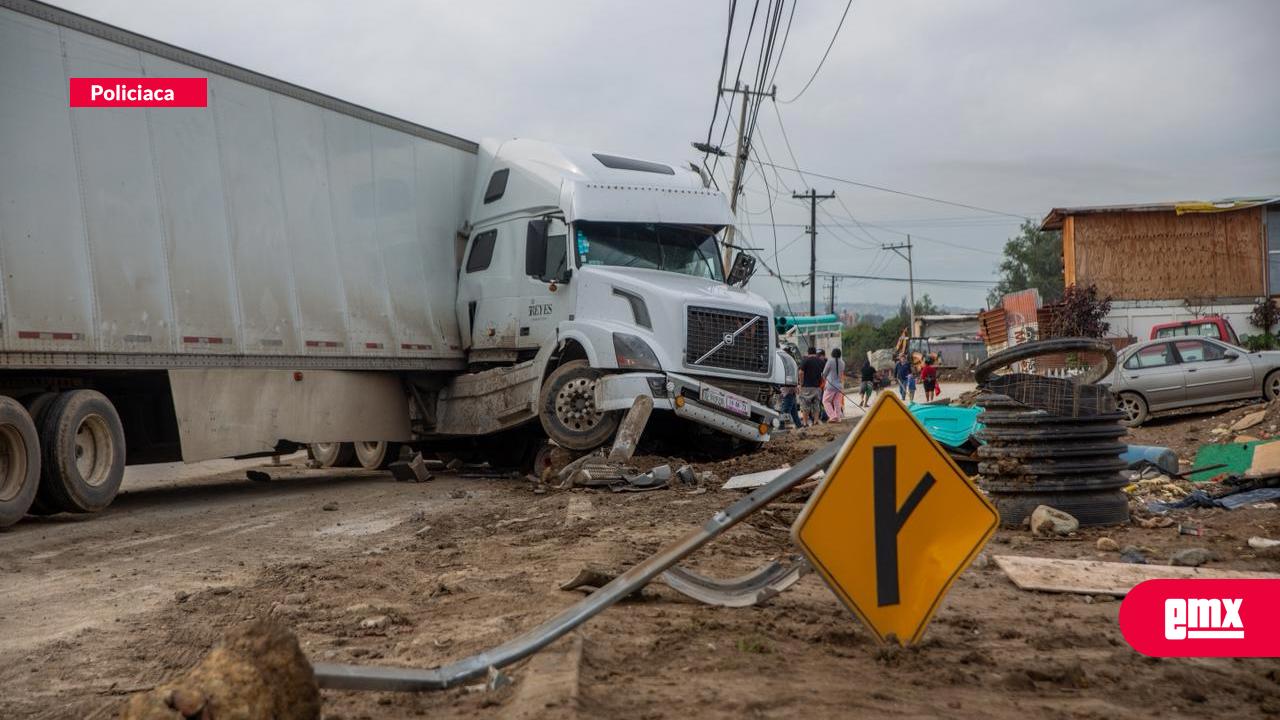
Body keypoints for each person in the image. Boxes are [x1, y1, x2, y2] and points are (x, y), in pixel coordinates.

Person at [798, 347, 825, 426]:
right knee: (816, 405)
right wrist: (821, 383)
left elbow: (800, 372)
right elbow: (824, 374)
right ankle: (816, 421)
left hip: (806, 387)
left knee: (805, 405)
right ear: (815, 353)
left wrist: (801, 383)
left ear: (808, 352)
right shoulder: (820, 361)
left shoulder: (805, 360)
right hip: (817, 387)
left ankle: (805, 423)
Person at [821, 349, 846, 421]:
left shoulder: (830, 361)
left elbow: (824, 373)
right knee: (837, 402)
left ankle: (832, 416)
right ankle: (838, 417)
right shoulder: (842, 362)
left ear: (832, 354)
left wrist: (823, 376)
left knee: (825, 401)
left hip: (830, 385)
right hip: (839, 386)